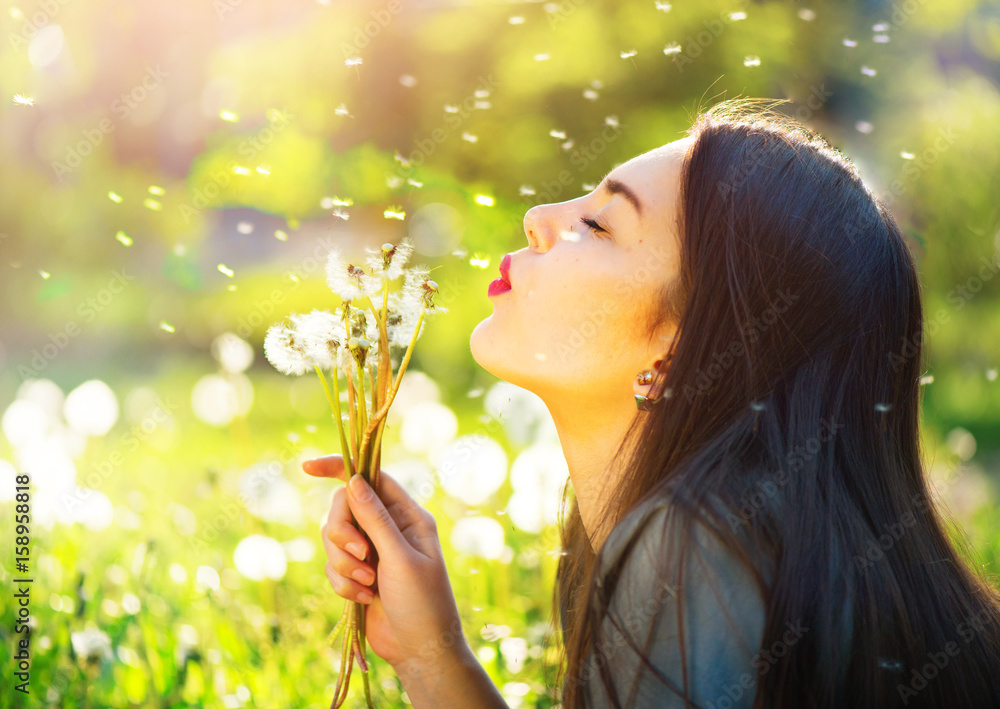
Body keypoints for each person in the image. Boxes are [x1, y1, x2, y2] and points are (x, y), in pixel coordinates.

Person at [303, 97, 1000, 708]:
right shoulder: (714, 534)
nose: (539, 218)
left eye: (601, 225)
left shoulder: (694, 551)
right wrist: (430, 655)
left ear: (682, 351)